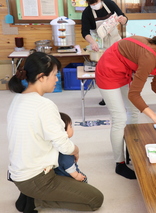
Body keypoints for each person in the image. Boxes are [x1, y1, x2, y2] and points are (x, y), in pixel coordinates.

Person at [7, 52, 103, 213]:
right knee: (95, 200)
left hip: (19, 173)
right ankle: (36, 201)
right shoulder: (43, 105)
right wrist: (76, 150)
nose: (57, 79)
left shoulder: (18, 99)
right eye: (54, 75)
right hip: (36, 179)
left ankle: (29, 194)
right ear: (41, 77)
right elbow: (64, 146)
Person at [95, 31, 156, 179]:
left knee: (134, 111)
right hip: (108, 70)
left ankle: (130, 148)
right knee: (120, 118)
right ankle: (120, 163)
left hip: (125, 71)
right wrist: (154, 116)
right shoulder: (149, 57)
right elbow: (134, 94)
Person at [81, 0, 128, 106]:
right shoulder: (87, 12)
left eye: (95, 3)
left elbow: (124, 18)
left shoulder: (110, 4)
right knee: (105, 72)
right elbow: (85, 32)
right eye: (91, 4)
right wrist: (92, 42)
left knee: (120, 69)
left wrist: (123, 19)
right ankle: (106, 96)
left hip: (116, 42)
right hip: (100, 45)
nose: (94, 6)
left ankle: (122, 94)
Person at [54, 112, 87, 183]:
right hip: (66, 175)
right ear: (63, 131)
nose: (72, 128)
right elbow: (67, 164)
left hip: (58, 173)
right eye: (71, 126)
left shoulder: (54, 143)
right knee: (84, 179)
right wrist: (76, 175)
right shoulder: (65, 148)